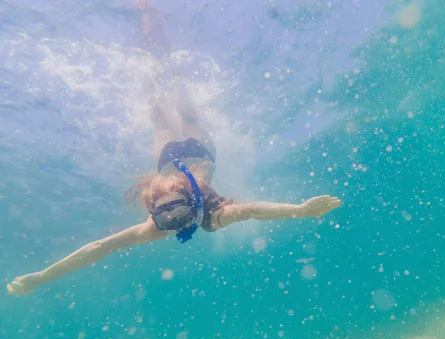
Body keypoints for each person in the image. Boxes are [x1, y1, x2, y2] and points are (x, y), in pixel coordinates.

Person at [6, 1, 341, 296]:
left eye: (167, 215)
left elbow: (99, 248)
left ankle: (151, 44)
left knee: (156, 105)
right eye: (176, 216)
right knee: (186, 105)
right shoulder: (212, 216)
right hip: (200, 150)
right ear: (191, 199)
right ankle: (162, 46)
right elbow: (253, 209)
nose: (174, 220)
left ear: (154, 211)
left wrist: (42, 277)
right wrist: (300, 210)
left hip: (166, 156)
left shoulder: (155, 227)